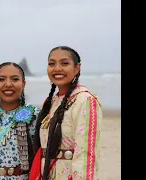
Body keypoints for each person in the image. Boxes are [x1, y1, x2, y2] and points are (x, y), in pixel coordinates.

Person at [30, 46, 102, 180]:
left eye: (64, 63)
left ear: (77, 68)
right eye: (52, 64)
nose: (57, 68)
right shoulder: (51, 101)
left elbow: (85, 155)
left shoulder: (84, 100)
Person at [0, 62, 40, 180]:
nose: (8, 84)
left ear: (23, 84)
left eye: (15, 79)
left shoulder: (35, 115)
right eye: (1, 79)